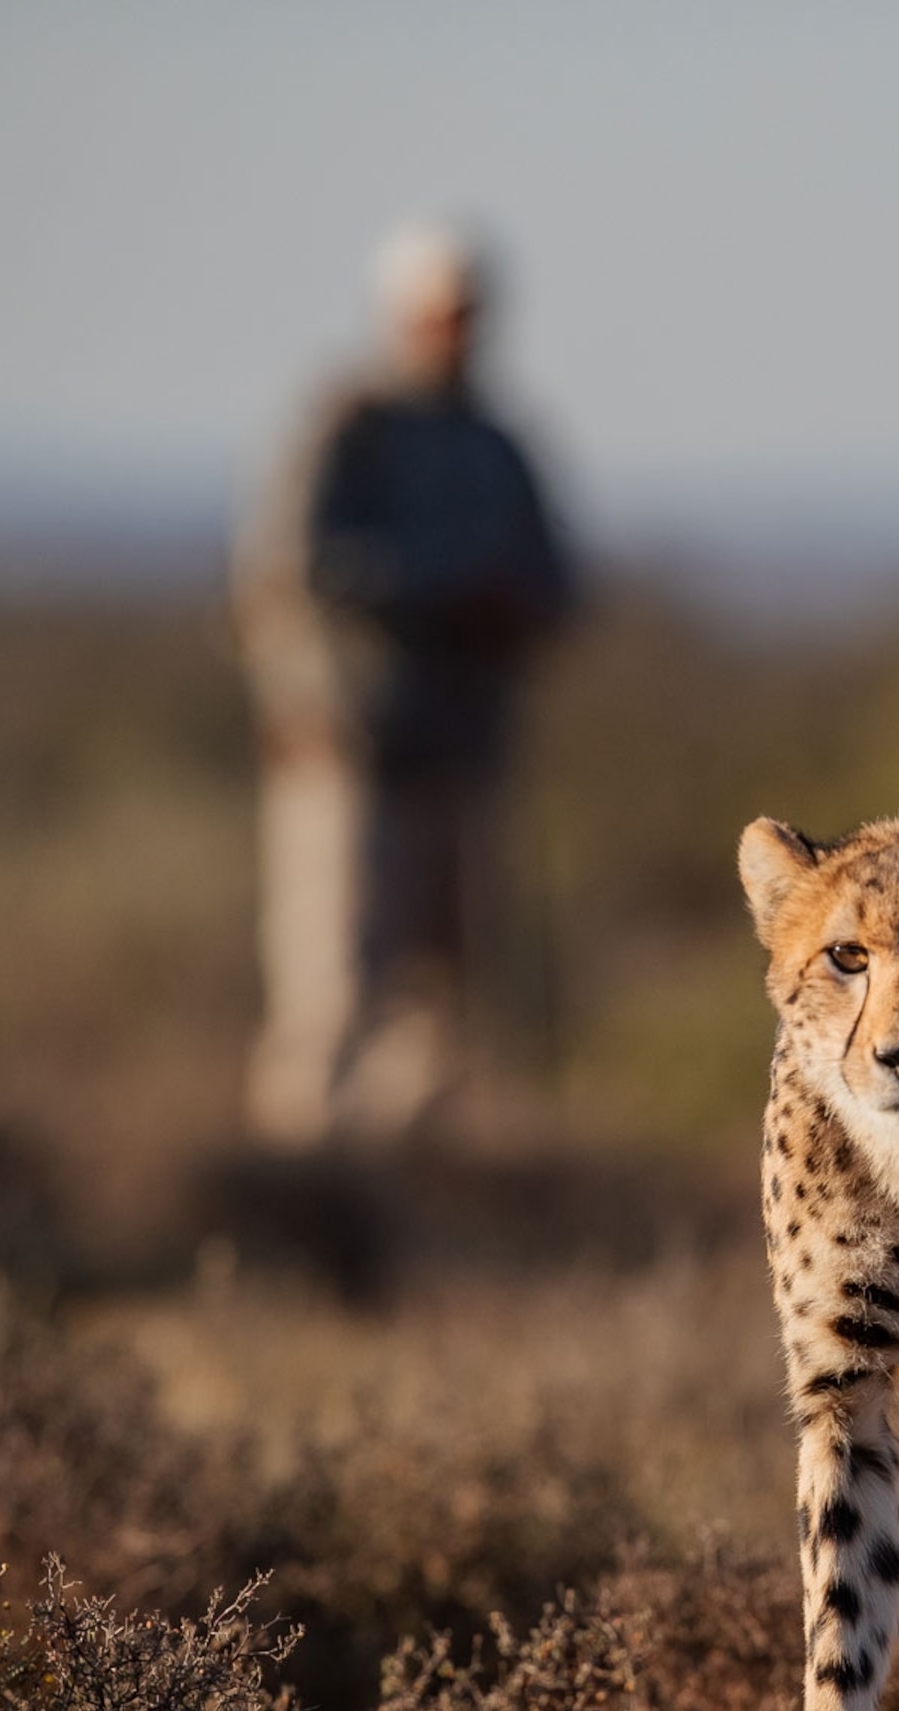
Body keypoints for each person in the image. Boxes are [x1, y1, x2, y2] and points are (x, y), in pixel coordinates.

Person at [232, 222, 576, 1148]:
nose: (456, 333)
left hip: (463, 758)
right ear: (401, 314)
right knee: (334, 991)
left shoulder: (499, 445)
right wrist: (441, 589)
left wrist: (511, 609)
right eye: (439, 314)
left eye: (468, 315)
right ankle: (302, 1195)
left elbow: (556, 581)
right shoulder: (350, 427)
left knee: (446, 1003)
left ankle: (413, 1205)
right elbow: (294, 563)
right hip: (346, 752)